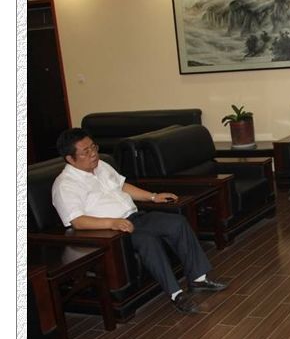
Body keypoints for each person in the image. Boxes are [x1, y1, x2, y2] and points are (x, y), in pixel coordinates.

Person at [51, 128, 228, 315]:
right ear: (70, 159)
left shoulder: (101, 165)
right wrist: (111, 223)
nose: (93, 154)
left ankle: (198, 279)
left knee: (177, 222)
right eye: (86, 152)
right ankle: (176, 295)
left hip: (135, 217)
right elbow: (77, 221)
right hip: (113, 232)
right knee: (147, 240)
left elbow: (122, 186)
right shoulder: (65, 185)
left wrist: (153, 197)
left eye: (93, 147)